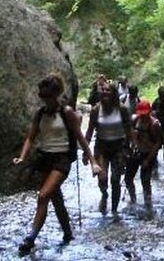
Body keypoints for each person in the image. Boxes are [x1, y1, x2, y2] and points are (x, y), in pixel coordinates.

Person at [13, 74, 103, 254]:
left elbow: (81, 139)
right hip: (44, 159)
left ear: (55, 95)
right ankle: (68, 233)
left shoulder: (67, 113)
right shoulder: (40, 114)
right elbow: (31, 137)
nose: (44, 100)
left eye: (47, 96)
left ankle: (30, 238)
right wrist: (22, 156)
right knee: (56, 199)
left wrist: (93, 162)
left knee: (43, 195)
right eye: (42, 96)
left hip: (61, 160)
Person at [83, 82, 133, 217]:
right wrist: (85, 152)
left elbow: (129, 130)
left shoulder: (122, 109)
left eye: (107, 90)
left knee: (116, 179)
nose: (104, 92)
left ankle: (114, 210)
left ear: (113, 93)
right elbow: (89, 131)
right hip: (101, 146)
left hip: (119, 146)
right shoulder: (95, 110)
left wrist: (133, 146)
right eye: (102, 90)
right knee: (102, 177)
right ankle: (104, 195)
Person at [124, 99, 161, 213]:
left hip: (148, 154)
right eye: (141, 114)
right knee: (128, 178)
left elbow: (158, 143)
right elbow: (129, 135)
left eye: (145, 114)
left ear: (149, 112)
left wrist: (148, 159)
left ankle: (148, 204)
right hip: (136, 152)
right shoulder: (135, 120)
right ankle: (133, 200)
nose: (143, 116)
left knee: (145, 180)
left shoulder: (154, 124)